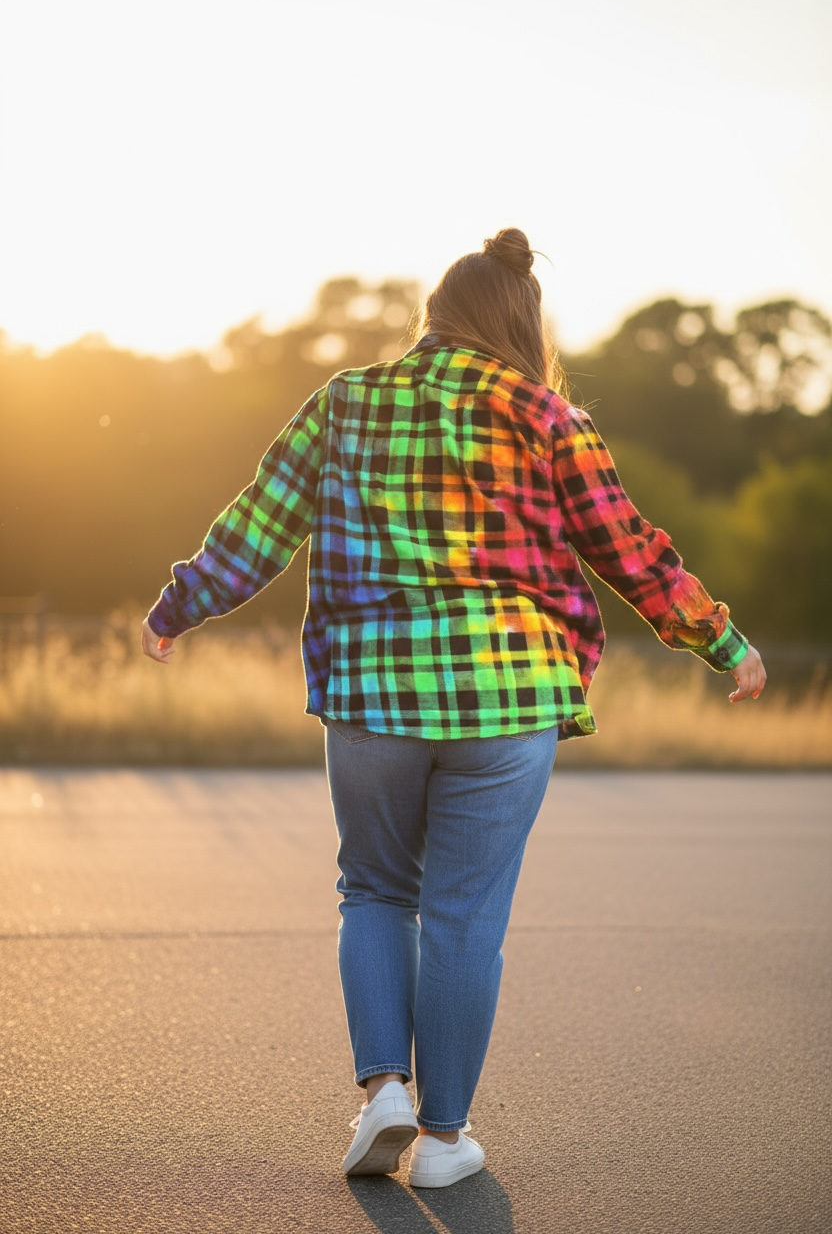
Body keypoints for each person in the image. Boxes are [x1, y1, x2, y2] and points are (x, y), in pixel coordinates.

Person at [142, 228, 766, 1188]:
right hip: (508, 698)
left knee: (377, 890)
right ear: (519, 323)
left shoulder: (346, 401)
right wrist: (722, 639)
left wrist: (178, 605)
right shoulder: (549, 417)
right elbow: (629, 549)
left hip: (371, 694)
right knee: (467, 915)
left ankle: (384, 1089)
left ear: (433, 317)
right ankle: (443, 1141)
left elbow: (257, 526)